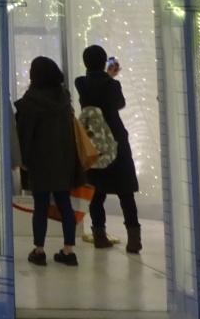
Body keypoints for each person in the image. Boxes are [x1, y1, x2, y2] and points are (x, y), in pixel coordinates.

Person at [15, 56, 86, 267]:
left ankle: (39, 251)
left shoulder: (31, 101)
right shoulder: (64, 98)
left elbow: (25, 134)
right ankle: (69, 251)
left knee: (41, 206)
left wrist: (22, 159)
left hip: (40, 161)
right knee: (65, 205)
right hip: (64, 159)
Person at [75, 44, 141, 254]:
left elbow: (94, 93)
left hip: (93, 141)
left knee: (97, 191)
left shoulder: (80, 83)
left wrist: (107, 77)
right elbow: (119, 104)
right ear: (105, 62)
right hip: (116, 139)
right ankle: (134, 241)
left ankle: (99, 236)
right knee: (125, 192)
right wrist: (110, 78)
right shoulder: (113, 85)